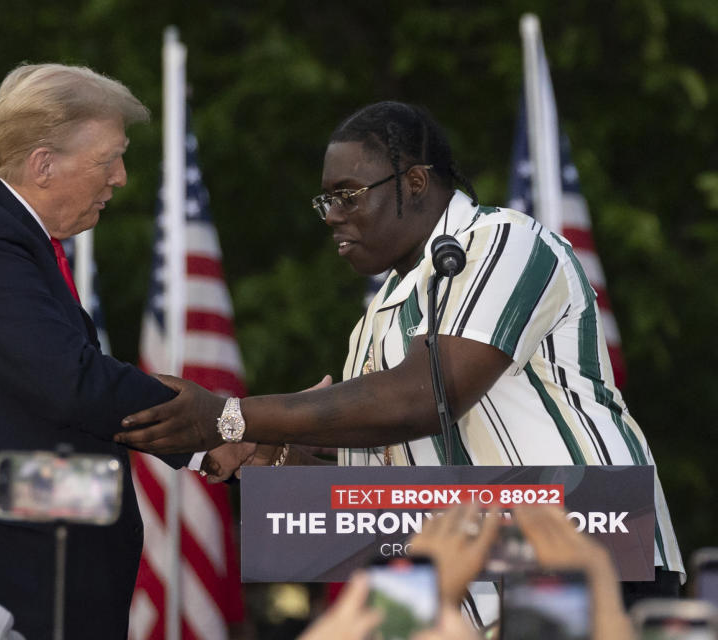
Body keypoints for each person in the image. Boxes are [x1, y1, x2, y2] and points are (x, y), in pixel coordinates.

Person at [116, 102, 684, 615]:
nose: (333, 215)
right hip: (471, 584)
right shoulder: (378, 316)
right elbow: (386, 486)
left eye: (347, 194)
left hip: (586, 547)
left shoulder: (502, 241)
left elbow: (427, 395)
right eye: (326, 201)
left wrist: (231, 414)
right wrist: (267, 458)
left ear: (415, 181)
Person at [0, 63, 225, 639]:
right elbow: (72, 382)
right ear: (43, 164)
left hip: (41, 559)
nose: (120, 177)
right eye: (108, 159)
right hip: (1, 573)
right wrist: (229, 426)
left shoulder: (0, 232)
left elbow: (46, 402)